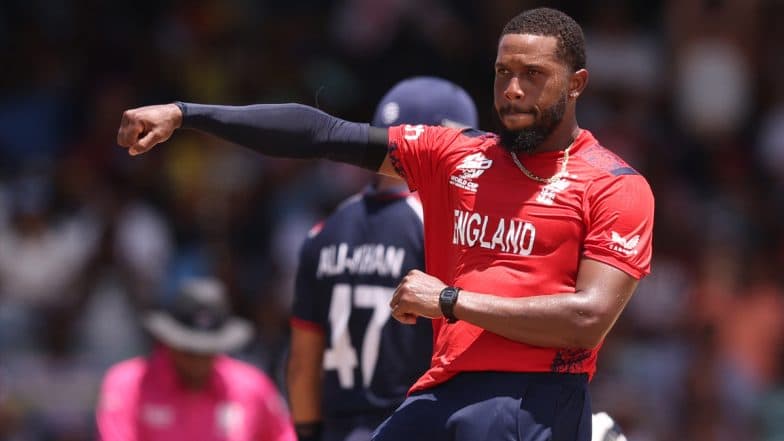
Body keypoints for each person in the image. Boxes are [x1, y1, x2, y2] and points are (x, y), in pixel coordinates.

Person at [116, 7, 654, 440]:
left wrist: (448, 301)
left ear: (576, 82)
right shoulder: (455, 156)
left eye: (533, 75)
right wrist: (188, 114)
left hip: (534, 399)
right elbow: (321, 134)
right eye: (503, 73)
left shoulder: (613, 184)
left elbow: (588, 319)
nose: (512, 89)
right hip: (441, 393)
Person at [286, 77, 478, 441]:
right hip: (414, 428)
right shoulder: (439, 226)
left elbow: (301, 365)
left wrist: (310, 434)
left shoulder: (323, 231)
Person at [96, 277, 296, 441]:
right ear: (170, 341)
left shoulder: (251, 387)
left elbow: (283, 435)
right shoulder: (128, 384)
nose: (197, 362)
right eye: (189, 350)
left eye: (206, 352)